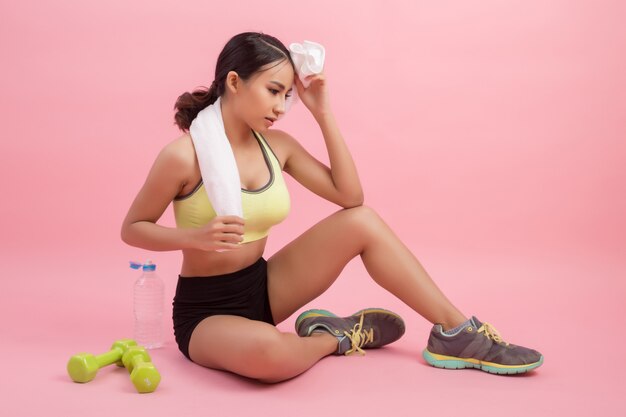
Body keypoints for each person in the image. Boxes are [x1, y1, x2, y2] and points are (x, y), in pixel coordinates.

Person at [121, 32, 543, 383]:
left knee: (362, 222)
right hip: (206, 312)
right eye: (273, 91)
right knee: (271, 359)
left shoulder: (278, 147)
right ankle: (335, 336)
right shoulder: (182, 157)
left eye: (287, 95)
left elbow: (350, 198)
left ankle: (456, 332)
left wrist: (323, 113)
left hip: (265, 287)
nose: (281, 107)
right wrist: (192, 237)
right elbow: (133, 227)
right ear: (234, 82)